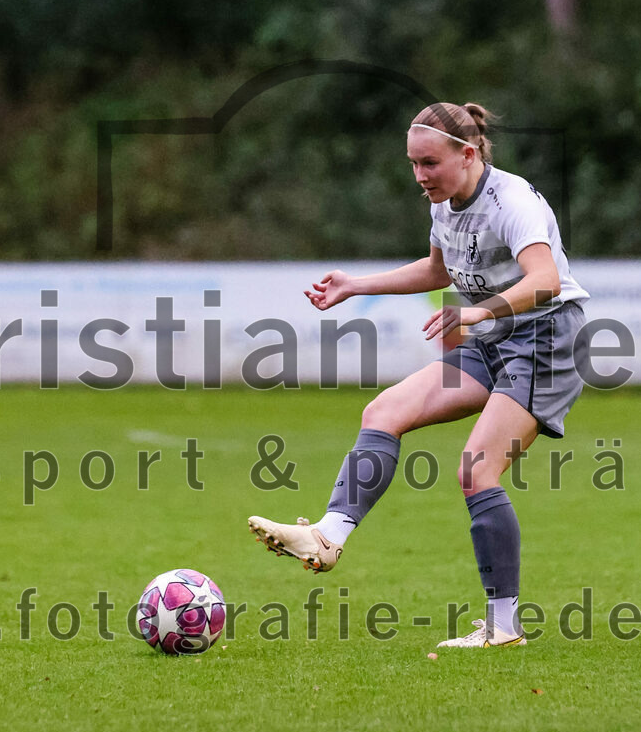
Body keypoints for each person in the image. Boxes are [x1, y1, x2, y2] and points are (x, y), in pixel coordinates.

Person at [248, 102, 590, 648]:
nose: (419, 176)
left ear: (468, 154)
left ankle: (504, 627)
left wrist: (480, 311)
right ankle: (326, 538)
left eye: (429, 163)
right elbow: (437, 269)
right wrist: (355, 285)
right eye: (412, 164)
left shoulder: (513, 200)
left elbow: (546, 278)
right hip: (496, 340)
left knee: (477, 470)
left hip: (545, 340)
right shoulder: (445, 204)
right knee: (383, 412)